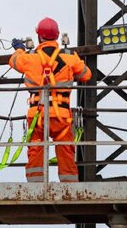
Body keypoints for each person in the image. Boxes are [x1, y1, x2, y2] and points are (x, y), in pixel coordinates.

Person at [9, 17, 92, 183]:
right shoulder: (69, 56)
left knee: (36, 150)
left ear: (38, 36)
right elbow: (86, 75)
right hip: (61, 115)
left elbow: (13, 61)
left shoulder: (29, 57)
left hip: (37, 115)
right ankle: (69, 185)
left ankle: (35, 186)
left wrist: (19, 49)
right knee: (66, 150)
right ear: (57, 35)